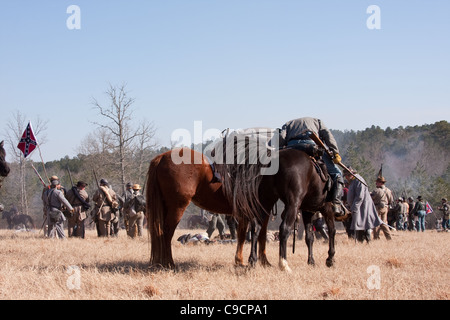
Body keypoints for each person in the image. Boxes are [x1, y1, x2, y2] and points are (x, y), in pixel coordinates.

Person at [279, 117, 345, 216]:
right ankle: (336, 203)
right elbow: (327, 135)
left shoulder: (288, 124)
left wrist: (279, 150)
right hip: (311, 145)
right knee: (337, 174)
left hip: (291, 147)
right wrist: (335, 152)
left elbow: (281, 138)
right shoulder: (317, 121)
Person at [343, 168, 383, 243]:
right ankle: (360, 240)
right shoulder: (353, 181)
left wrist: (355, 207)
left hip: (362, 206)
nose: (346, 178)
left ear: (350, 175)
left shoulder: (358, 180)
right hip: (357, 206)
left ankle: (368, 241)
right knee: (359, 224)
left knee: (365, 224)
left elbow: (360, 196)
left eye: (346, 176)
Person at [371, 176, 393, 240]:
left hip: (378, 207)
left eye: (377, 182)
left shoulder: (376, 190)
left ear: (380, 182)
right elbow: (391, 200)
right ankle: (389, 238)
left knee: (376, 223)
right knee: (384, 223)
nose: (376, 184)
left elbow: (371, 198)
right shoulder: (388, 190)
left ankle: (376, 237)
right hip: (385, 207)